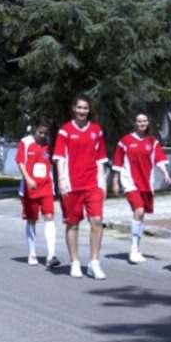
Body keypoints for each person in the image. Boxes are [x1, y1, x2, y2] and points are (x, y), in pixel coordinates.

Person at [53, 94, 108, 280]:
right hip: (72, 185)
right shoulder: (65, 131)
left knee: (97, 220)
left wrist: (103, 182)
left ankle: (94, 263)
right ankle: (75, 262)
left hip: (92, 184)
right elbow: (60, 158)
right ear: (74, 109)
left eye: (85, 108)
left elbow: (100, 158)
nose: (82, 111)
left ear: (89, 110)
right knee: (73, 224)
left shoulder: (96, 130)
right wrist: (61, 180)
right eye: (79, 108)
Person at [111, 113, 171, 264]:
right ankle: (133, 249)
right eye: (139, 121)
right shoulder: (125, 141)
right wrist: (116, 180)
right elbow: (118, 162)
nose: (142, 123)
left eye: (144, 121)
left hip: (146, 183)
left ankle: (137, 247)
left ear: (148, 122)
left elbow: (159, 159)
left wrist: (165, 174)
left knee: (142, 214)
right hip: (130, 182)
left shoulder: (152, 141)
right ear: (135, 123)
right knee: (138, 211)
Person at [16, 117, 59, 268]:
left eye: (45, 133)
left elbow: (55, 161)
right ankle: (32, 253)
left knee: (49, 217)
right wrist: (28, 179)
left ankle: (51, 255)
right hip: (30, 188)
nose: (42, 136)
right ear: (35, 129)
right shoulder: (25, 142)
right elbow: (20, 162)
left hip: (46, 186)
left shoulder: (50, 144)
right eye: (40, 132)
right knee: (31, 219)